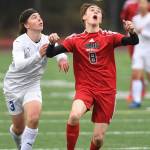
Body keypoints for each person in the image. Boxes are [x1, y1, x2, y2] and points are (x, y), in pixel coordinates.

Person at [46, 3, 139, 150]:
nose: (96, 12)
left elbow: (134, 41)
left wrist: (132, 32)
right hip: (85, 89)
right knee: (74, 116)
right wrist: (51, 43)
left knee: (98, 139)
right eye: (92, 10)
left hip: (107, 92)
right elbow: (50, 53)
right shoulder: (75, 39)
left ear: (100, 19)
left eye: (99, 11)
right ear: (84, 17)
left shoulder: (109, 36)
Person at [3, 8, 69, 150]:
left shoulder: (46, 39)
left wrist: (62, 59)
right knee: (18, 129)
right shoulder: (19, 42)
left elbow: (58, 50)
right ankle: (19, 144)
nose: (39, 19)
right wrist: (38, 55)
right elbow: (20, 65)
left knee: (33, 118)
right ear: (26, 25)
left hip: (32, 86)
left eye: (40, 17)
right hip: (13, 88)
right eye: (34, 17)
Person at [129, 0, 150, 108]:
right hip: (138, 50)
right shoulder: (135, 19)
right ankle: (136, 101)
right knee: (136, 75)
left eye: (143, 3)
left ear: (148, 5)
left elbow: (145, 34)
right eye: (140, 3)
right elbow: (133, 35)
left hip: (149, 51)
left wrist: (143, 32)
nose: (141, 5)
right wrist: (130, 31)